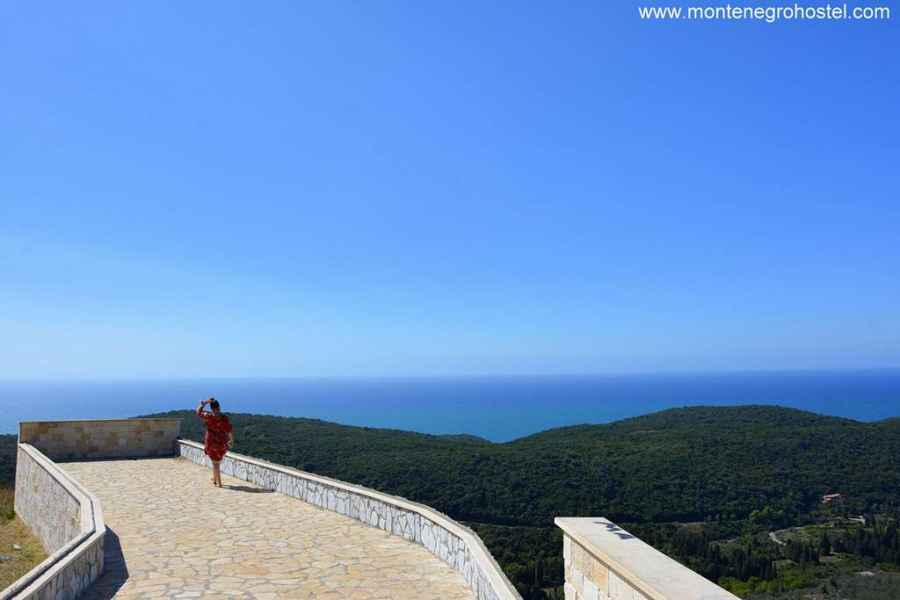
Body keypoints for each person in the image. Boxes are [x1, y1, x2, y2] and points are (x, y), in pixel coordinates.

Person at [196, 397, 234, 487]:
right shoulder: (224, 418)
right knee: (216, 462)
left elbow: (198, 411)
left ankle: (219, 482)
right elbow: (229, 430)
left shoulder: (208, 416)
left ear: (211, 408)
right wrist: (231, 440)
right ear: (219, 407)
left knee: (215, 462)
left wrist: (205, 402)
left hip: (211, 442)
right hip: (221, 442)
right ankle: (215, 479)